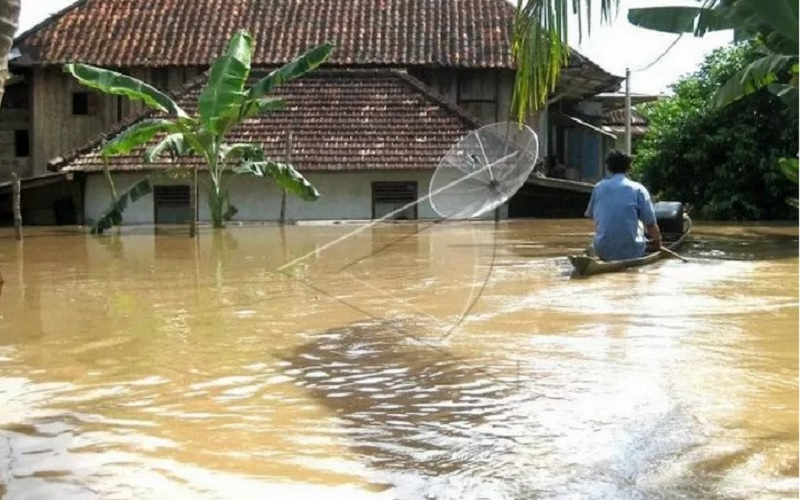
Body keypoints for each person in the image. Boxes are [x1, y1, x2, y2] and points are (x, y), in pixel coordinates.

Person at [584, 150, 661, 261]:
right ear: (629, 167)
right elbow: (650, 224)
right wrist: (658, 244)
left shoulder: (598, 187)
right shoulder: (638, 189)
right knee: (640, 225)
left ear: (608, 168)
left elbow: (591, 215)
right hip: (632, 251)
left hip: (602, 250)